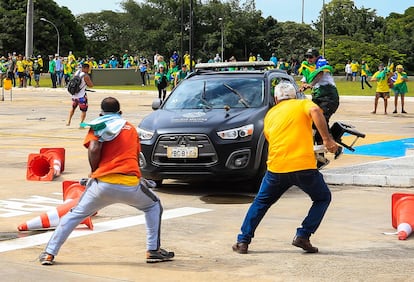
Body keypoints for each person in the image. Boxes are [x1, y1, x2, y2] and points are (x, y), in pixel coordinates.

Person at [39, 97, 174, 265]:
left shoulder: (98, 125)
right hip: (130, 185)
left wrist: (94, 171)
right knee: (153, 205)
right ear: (120, 112)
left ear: (101, 113)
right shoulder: (130, 128)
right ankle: (153, 250)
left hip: (101, 185)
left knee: (74, 215)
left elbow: (94, 149)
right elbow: (135, 157)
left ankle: (49, 254)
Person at [232, 82, 337, 255]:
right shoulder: (302, 103)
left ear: (276, 98)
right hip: (303, 166)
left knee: (261, 202)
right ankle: (303, 235)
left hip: (277, 168)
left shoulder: (270, 115)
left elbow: (273, 138)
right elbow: (316, 111)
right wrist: (326, 139)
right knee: (322, 198)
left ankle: (243, 241)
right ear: (294, 96)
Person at [298, 48, 339, 167]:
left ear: (316, 57)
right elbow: (304, 81)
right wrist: (302, 86)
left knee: (320, 121)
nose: (308, 59)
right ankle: (321, 159)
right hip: (317, 98)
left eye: (311, 57)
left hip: (328, 98)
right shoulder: (306, 67)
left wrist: (310, 85)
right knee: (315, 126)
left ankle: (334, 146)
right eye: (307, 57)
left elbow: (319, 75)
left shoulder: (322, 63)